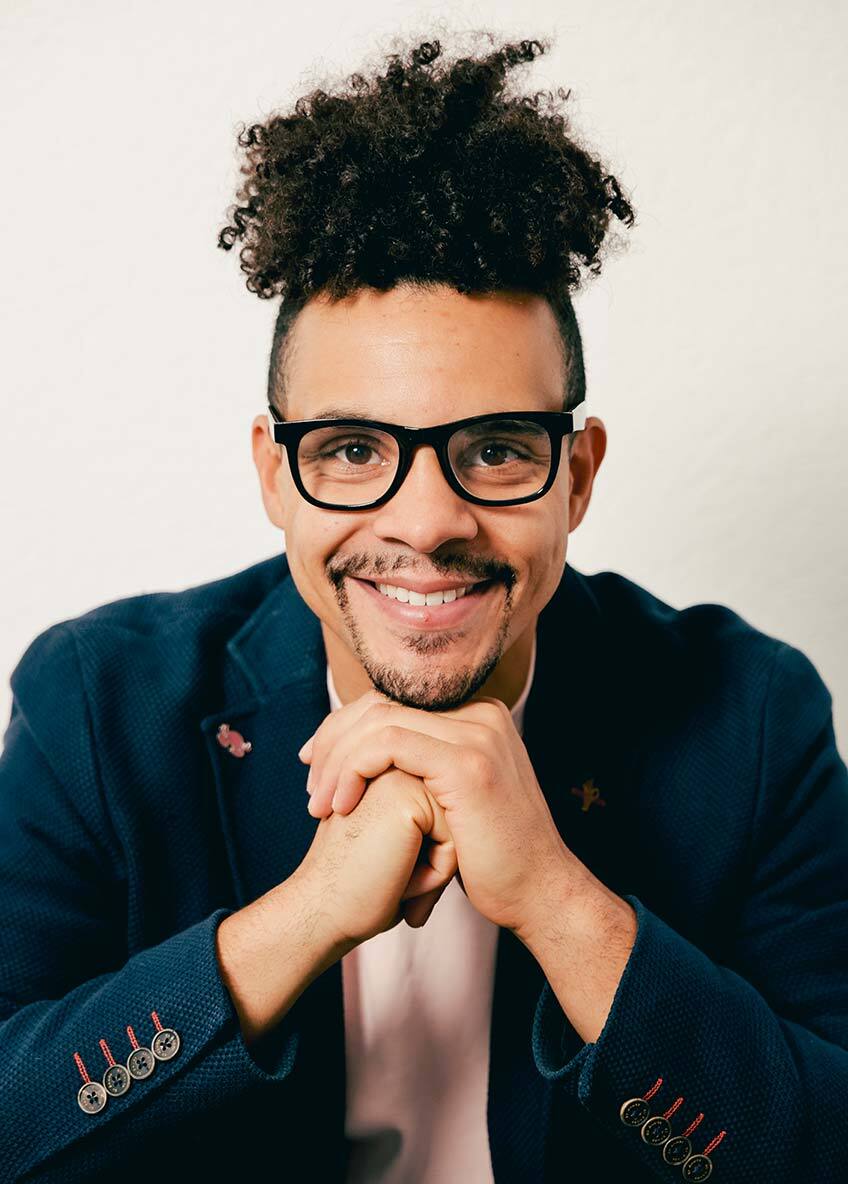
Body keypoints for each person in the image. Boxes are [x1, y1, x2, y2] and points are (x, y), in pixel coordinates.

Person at [1, 32, 846, 1184]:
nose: (427, 520)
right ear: (273, 473)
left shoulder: (750, 717)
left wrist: (557, 899)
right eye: (353, 448)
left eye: (494, 448)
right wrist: (298, 919)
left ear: (577, 474)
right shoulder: (95, 705)